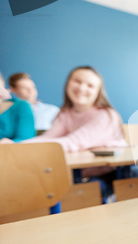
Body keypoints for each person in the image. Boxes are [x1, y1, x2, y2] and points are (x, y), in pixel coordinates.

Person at [23, 66, 130, 201]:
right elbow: (48, 138)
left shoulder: (106, 115)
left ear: (98, 92)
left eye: (90, 85)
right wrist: (14, 146)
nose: (82, 88)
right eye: (77, 81)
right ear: (68, 83)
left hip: (116, 174)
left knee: (72, 197)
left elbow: (73, 142)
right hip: (77, 172)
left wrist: (19, 149)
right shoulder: (65, 113)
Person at [0, 71, 35, 144]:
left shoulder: (21, 106)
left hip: (9, 151)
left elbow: (26, 138)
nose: (31, 91)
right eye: (24, 88)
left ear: (2, 82)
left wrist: (10, 143)